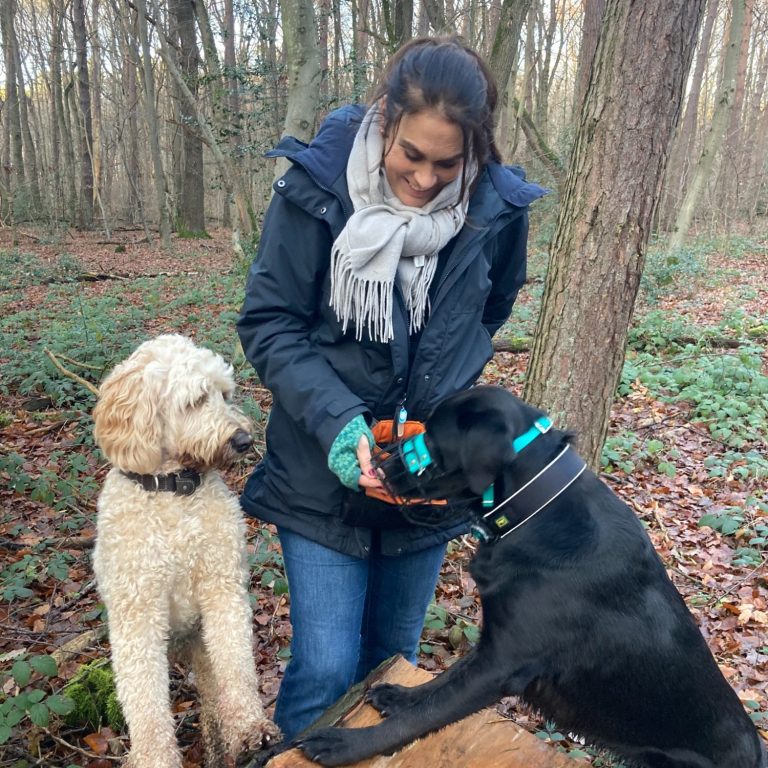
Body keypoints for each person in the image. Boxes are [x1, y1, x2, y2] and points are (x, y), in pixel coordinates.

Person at [237, 35, 547, 741]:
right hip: (320, 468)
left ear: (477, 147)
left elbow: (492, 307)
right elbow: (270, 321)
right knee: (324, 665)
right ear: (385, 120)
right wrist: (342, 423)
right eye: (411, 154)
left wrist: (439, 396)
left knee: (394, 667)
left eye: (448, 162)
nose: (425, 179)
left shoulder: (497, 207)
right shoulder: (317, 186)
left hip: (428, 468)